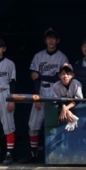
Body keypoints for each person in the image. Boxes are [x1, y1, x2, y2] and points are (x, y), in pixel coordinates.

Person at [27, 28, 69, 162]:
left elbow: (60, 78)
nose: (51, 40)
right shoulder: (38, 56)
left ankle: (54, 155)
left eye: (53, 38)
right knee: (33, 125)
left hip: (55, 91)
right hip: (41, 91)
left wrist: (40, 76)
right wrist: (36, 97)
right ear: (45, 40)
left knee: (54, 125)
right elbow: (34, 78)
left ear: (58, 40)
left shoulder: (62, 58)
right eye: (48, 38)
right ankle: (33, 155)